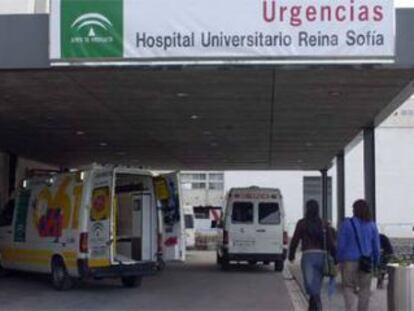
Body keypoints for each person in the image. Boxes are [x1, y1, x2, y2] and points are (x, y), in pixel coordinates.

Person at [289, 200, 336, 311]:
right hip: (322, 257)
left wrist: (291, 255)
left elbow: (295, 240)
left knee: (311, 288)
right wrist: (335, 257)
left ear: (307, 209)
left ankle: (318, 308)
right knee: (315, 288)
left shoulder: (302, 223)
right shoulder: (324, 224)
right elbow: (330, 242)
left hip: (308, 257)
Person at [337, 199, 381, 311]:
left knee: (348, 287)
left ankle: (350, 309)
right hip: (366, 262)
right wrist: (376, 262)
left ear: (354, 210)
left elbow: (341, 245)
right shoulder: (372, 225)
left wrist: (339, 260)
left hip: (349, 262)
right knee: (365, 290)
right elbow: (376, 246)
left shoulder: (346, 224)